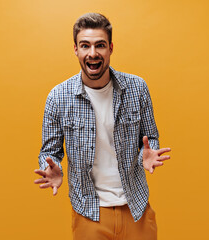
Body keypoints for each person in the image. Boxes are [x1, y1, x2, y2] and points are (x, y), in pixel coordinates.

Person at [34, 12, 171, 240]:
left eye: (100, 45)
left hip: (135, 208)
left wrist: (146, 156)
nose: (93, 53)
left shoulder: (137, 88)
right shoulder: (58, 97)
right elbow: (50, 151)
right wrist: (51, 167)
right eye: (85, 45)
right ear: (76, 49)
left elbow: (150, 140)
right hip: (89, 213)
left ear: (111, 48)